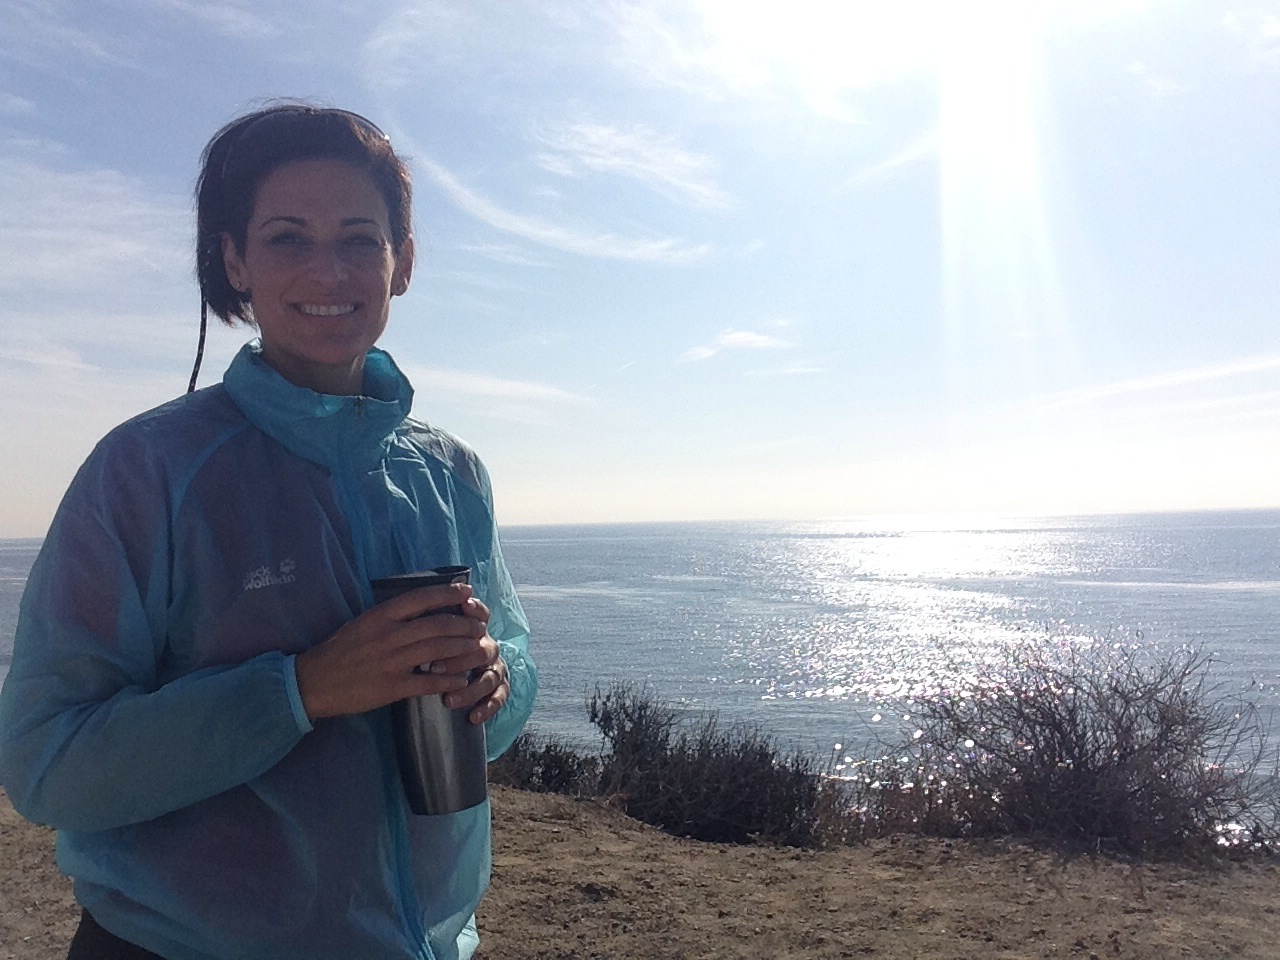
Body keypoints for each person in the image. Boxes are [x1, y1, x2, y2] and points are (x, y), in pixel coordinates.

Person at [0, 103, 536, 960]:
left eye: (360, 238)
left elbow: (511, 672)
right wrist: (303, 689)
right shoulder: (146, 471)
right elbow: (44, 761)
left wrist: (496, 684)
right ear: (235, 262)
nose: (328, 270)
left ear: (401, 263)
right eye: (288, 238)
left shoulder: (451, 473)